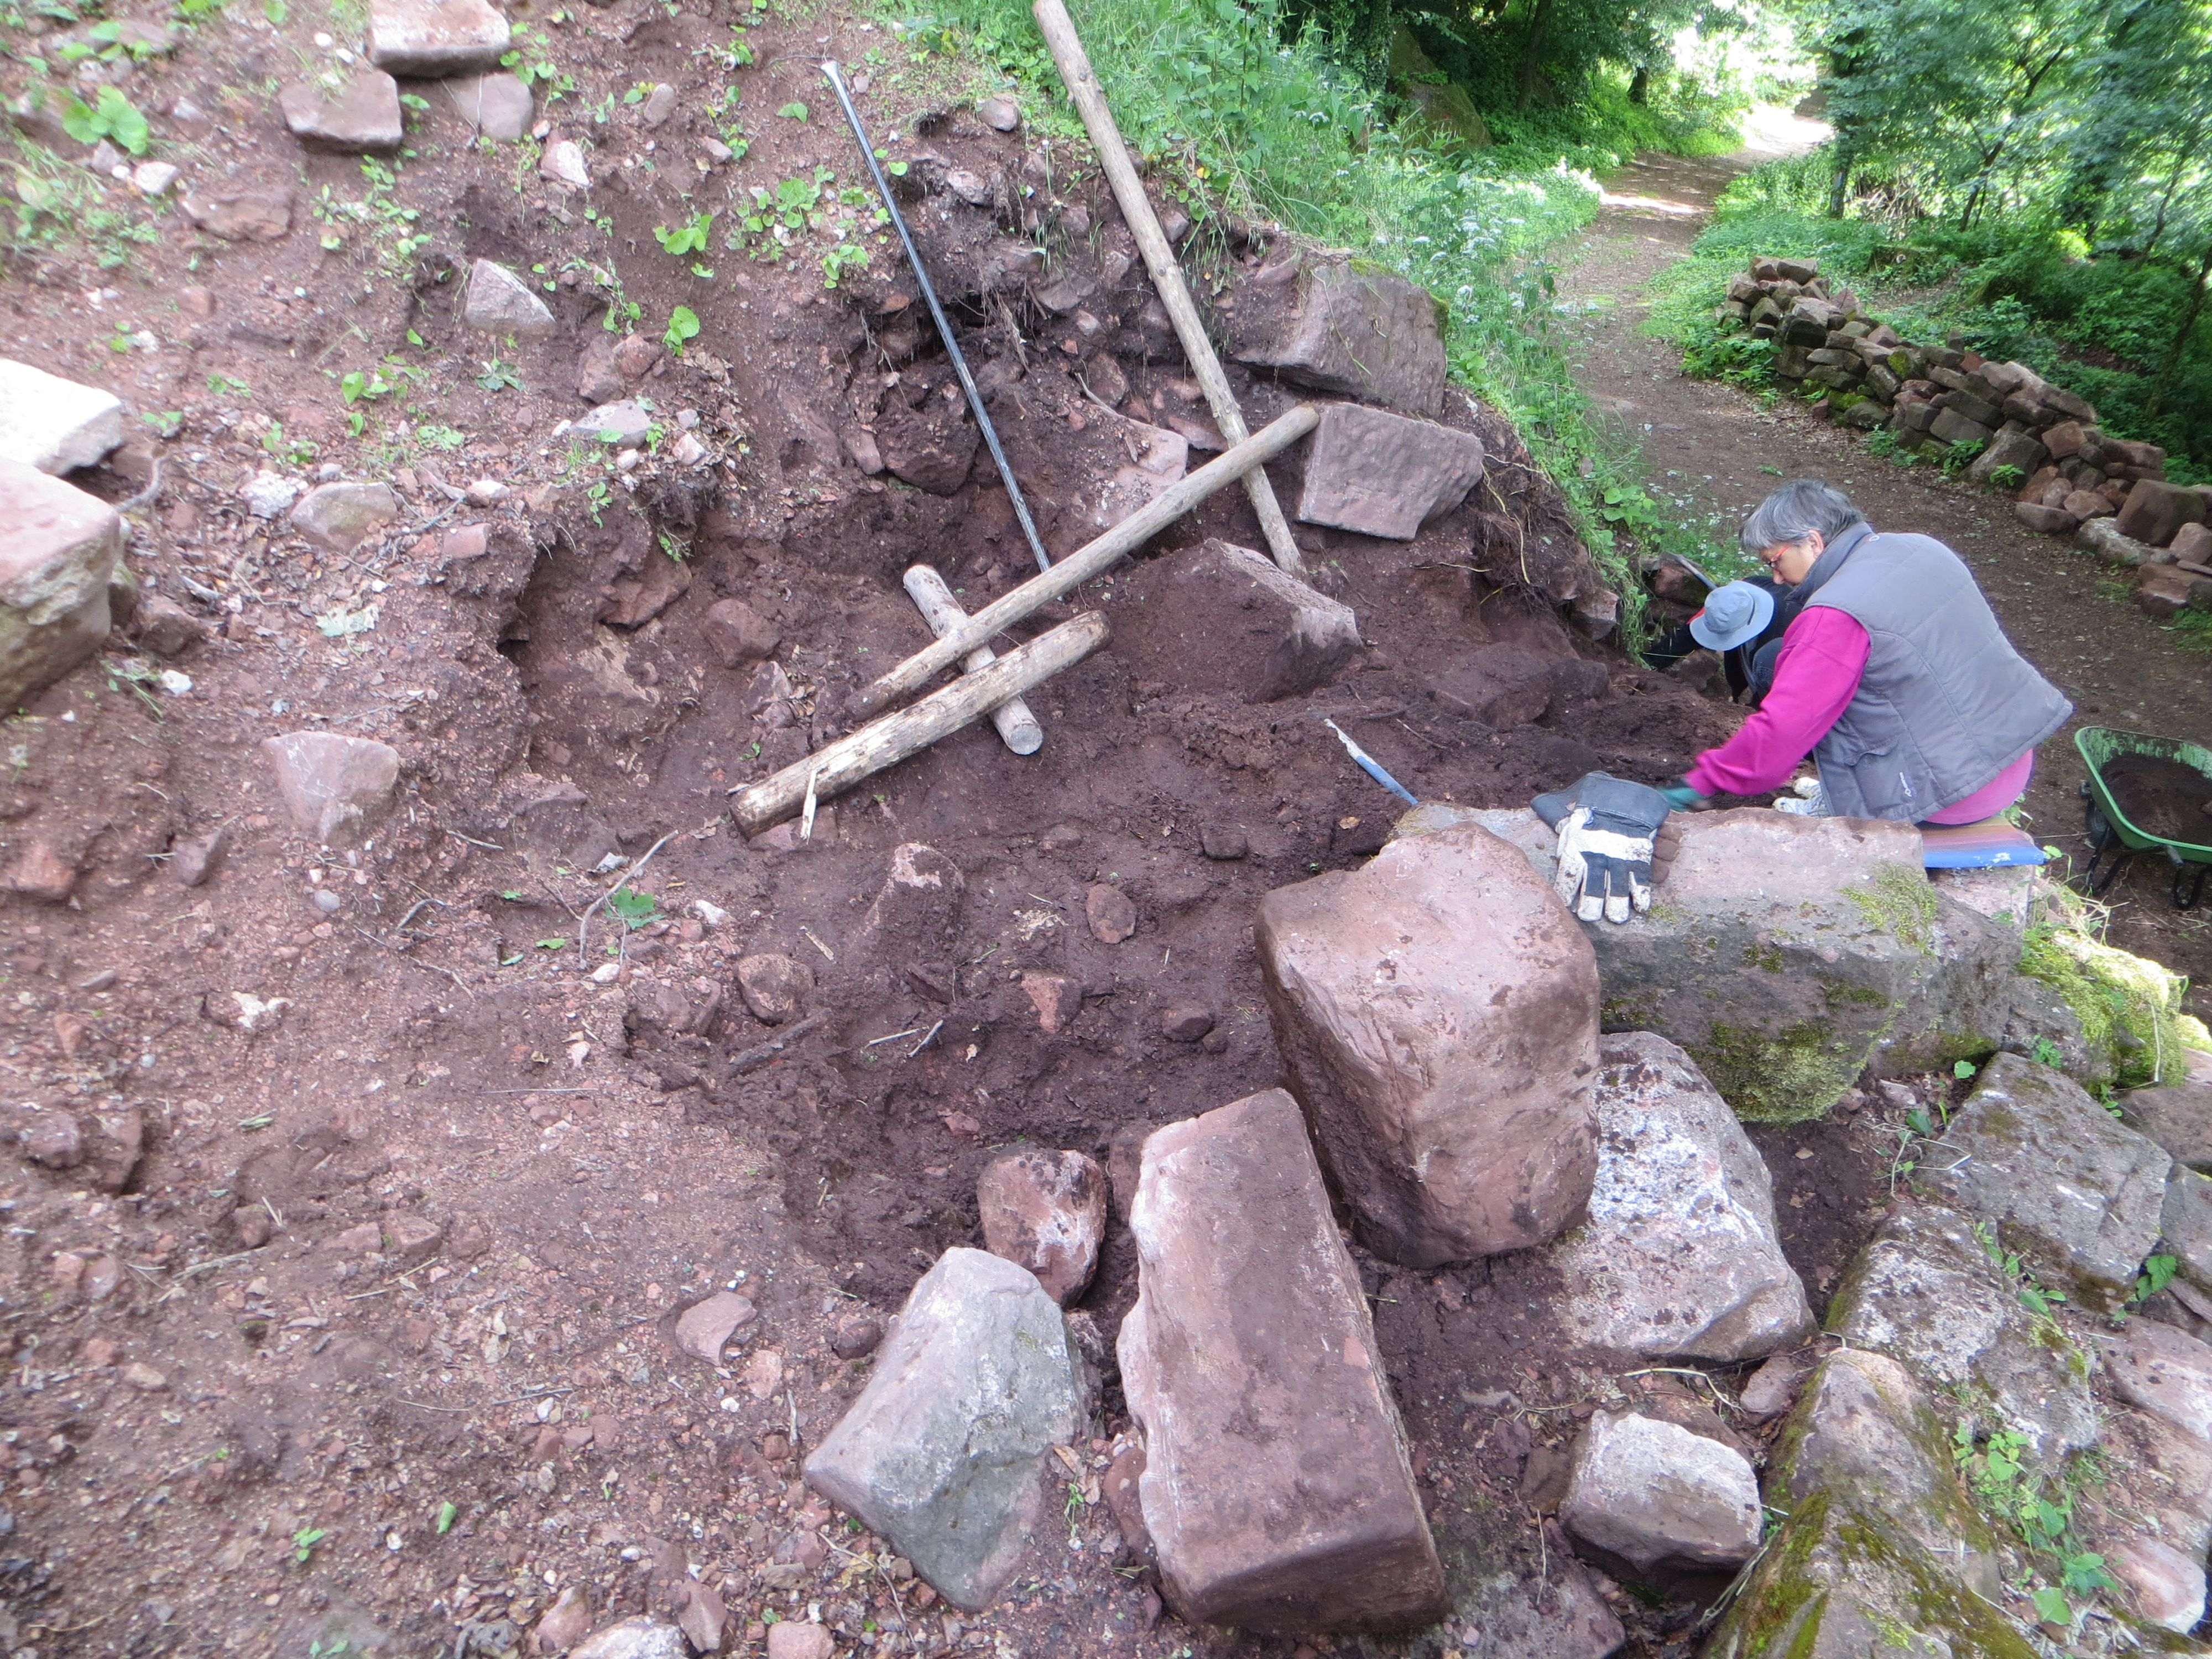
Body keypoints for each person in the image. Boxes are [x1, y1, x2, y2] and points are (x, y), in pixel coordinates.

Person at [1656, 479, 2072, 825]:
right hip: (2006, 756)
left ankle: (1848, 799)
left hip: (1950, 792)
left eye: (1775, 561)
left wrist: (1703, 781)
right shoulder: (1923, 548)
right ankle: (1841, 789)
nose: (1776, 578)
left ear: (1813, 542)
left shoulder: (1835, 616)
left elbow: (1784, 729)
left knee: (1784, 670)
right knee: (1799, 660)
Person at [1641, 576, 1787, 701]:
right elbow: (1688, 636)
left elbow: (1781, 685)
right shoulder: (1734, 596)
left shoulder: (1783, 634)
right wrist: (1650, 662)